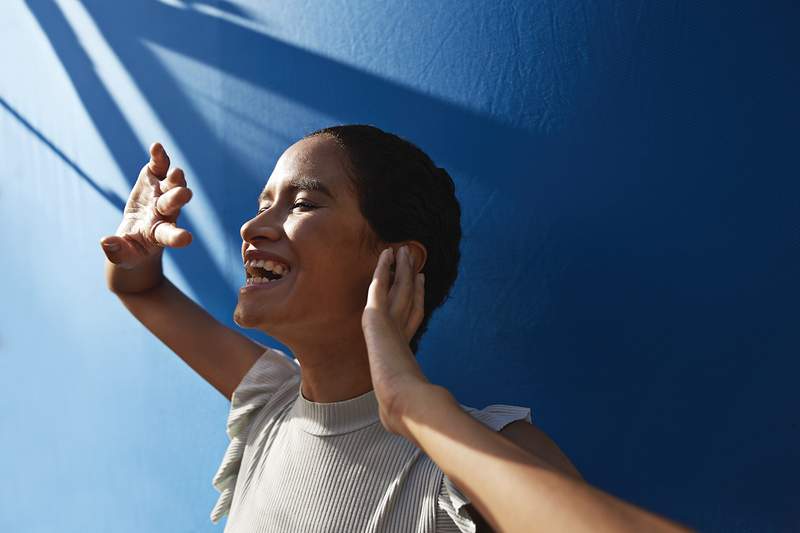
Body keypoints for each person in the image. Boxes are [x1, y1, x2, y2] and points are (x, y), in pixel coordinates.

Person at [100, 125, 691, 532]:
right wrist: (136, 243)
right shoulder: (270, 402)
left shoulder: (470, 454)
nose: (254, 226)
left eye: (301, 203)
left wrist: (408, 402)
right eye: (264, 202)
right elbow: (140, 288)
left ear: (398, 262)